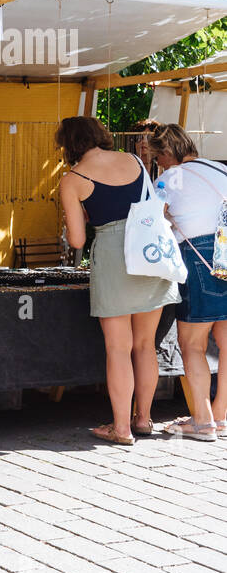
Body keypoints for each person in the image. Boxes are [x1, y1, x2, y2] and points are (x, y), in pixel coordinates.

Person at [56, 116, 180, 445]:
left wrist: (80, 219)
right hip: (149, 253)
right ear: (99, 135)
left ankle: (121, 427)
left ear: (68, 144)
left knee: (118, 349)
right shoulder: (135, 160)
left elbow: (78, 241)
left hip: (113, 256)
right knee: (145, 346)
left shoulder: (72, 179)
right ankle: (144, 419)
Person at [151, 123, 225, 441]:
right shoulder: (219, 168)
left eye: (158, 159)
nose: (159, 165)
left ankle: (203, 421)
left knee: (192, 345)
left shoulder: (169, 178)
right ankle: (220, 415)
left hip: (201, 255)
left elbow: (152, 220)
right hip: (226, 248)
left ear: (166, 154)